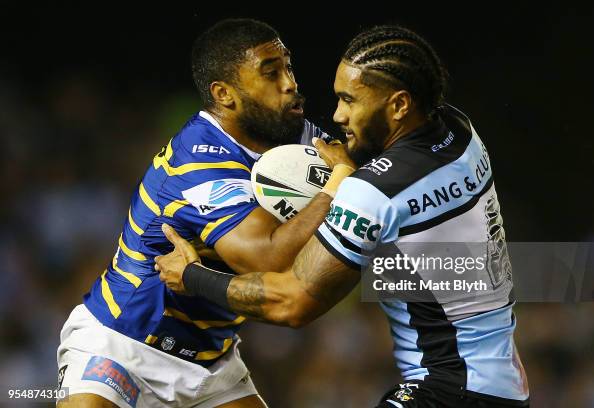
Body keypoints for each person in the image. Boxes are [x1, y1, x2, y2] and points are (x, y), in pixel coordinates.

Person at [155, 25, 530, 407]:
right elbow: (402, 173)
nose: (338, 115)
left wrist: (192, 277)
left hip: (448, 390)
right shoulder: (459, 129)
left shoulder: (372, 193)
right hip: (500, 381)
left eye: (350, 100)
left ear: (399, 105)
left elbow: (291, 303)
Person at [56, 18, 355, 408]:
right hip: (122, 348)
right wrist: (339, 181)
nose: (290, 83)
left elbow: (360, 164)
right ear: (224, 94)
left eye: (288, 67)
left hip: (213, 365)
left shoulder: (293, 134)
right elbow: (270, 259)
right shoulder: (198, 163)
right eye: (270, 73)